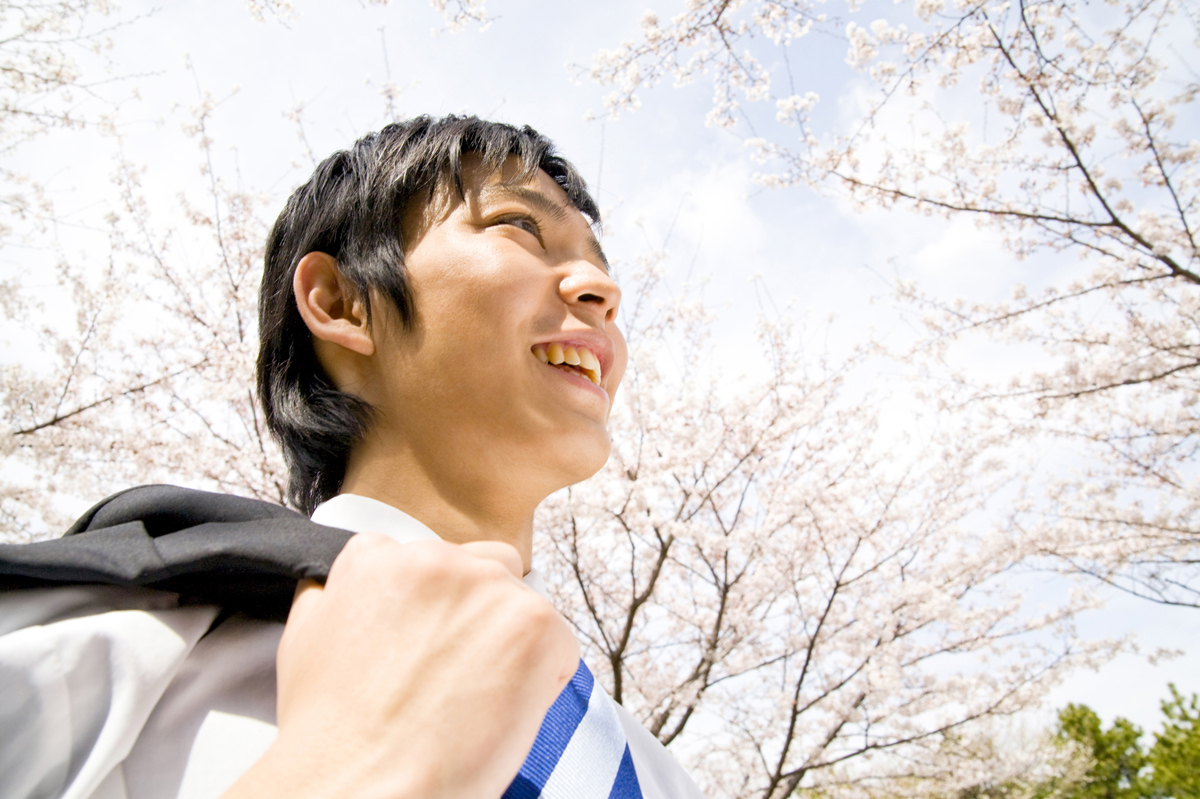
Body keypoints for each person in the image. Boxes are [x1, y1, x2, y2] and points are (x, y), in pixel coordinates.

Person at [0, 116, 705, 798]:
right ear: (342, 302)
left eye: (600, 265)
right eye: (518, 226)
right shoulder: (106, 645)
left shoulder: (660, 777)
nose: (602, 291)